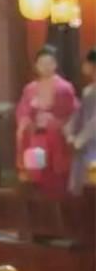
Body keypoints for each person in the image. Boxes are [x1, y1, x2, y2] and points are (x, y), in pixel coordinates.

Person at [15, 45, 78, 197]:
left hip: (56, 141)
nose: (45, 67)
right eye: (42, 63)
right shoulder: (30, 89)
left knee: (56, 181)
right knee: (35, 179)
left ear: (55, 65)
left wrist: (56, 122)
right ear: (36, 66)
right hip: (35, 139)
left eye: (49, 63)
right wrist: (27, 123)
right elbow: (22, 113)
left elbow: (73, 114)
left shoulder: (64, 88)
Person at [64, 48, 96, 194]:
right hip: (85, 145)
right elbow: (78, 115)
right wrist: (69, 133)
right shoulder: (88, 90)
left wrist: (80, 140)